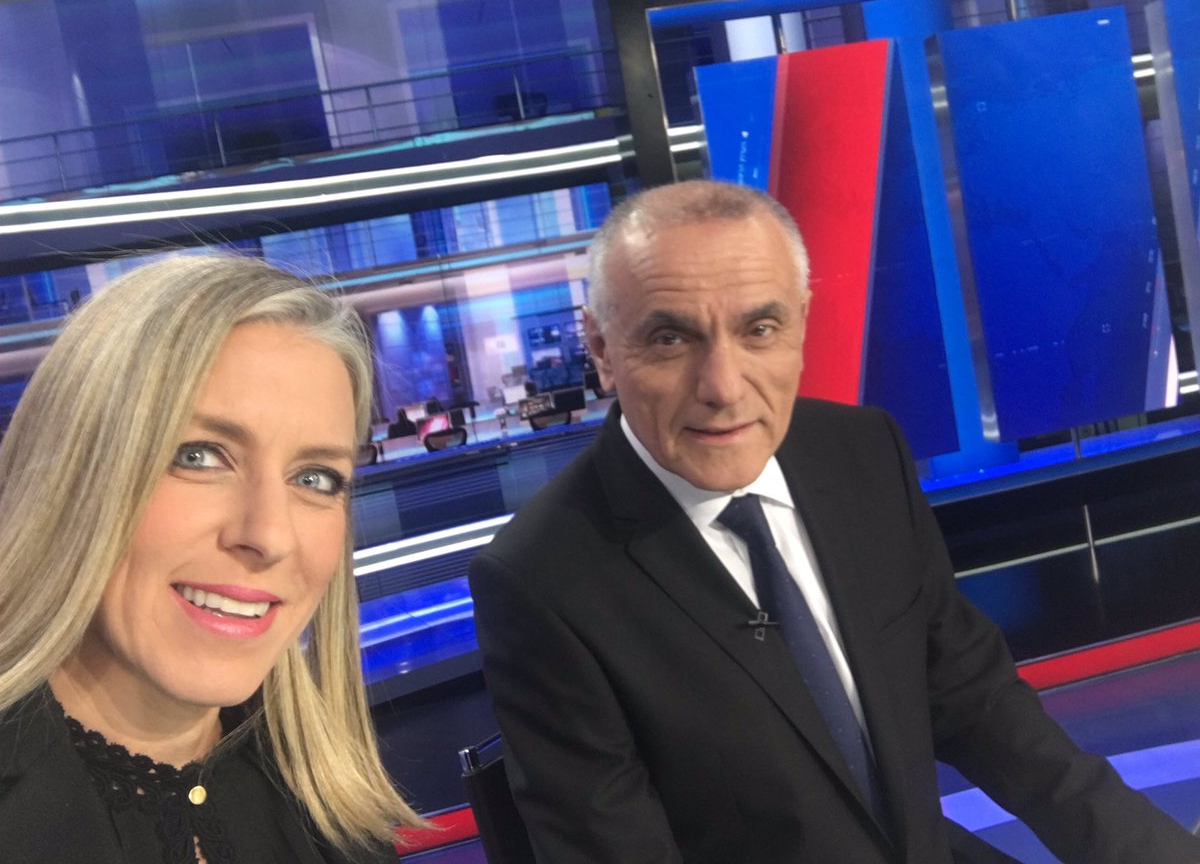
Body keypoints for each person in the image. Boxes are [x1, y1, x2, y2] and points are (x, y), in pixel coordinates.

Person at [469, 180, 1200, 863]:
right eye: (670, 340)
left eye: (759, 329)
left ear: (802, 323)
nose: (724, 387)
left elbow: (975, 701)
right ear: (601, 348)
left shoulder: (861, 451)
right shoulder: (540, 583)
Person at [0, 253, 423, 862]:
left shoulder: (328, 810)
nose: (269, 535)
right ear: (74, 473)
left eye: (315, 478)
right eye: (198, 455)